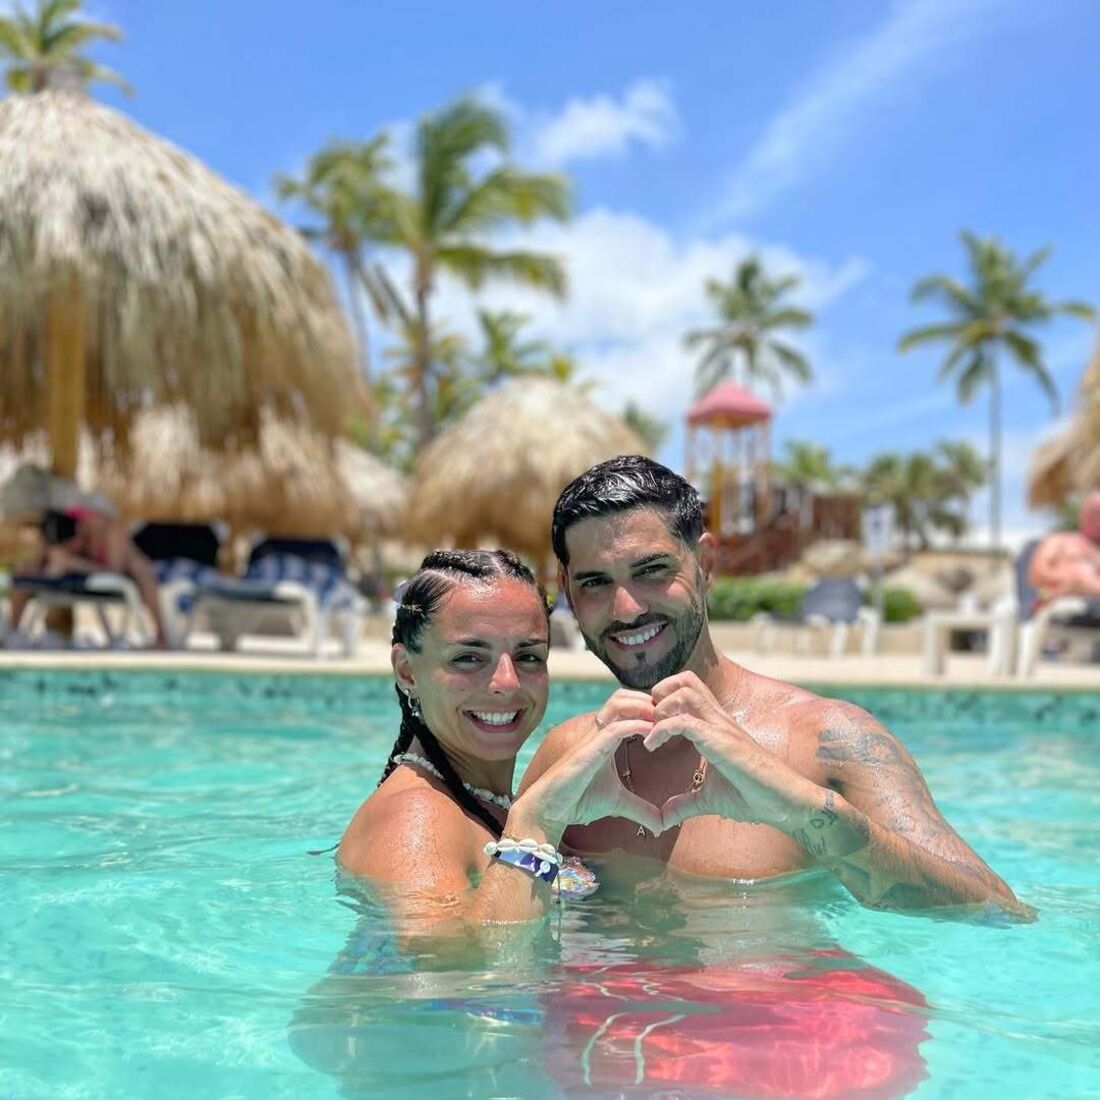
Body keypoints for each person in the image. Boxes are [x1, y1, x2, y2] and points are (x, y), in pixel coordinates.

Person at [520, 455, 1028, 917]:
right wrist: (532, 837)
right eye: (595, 582)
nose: (627, 609)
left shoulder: (826, 739)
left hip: (775, 991)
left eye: (652, 570)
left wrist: (800, 809)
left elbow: (999, 910)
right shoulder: (568, 755)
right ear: (568, 591)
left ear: (705, 565)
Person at [337, 548, 665, 939]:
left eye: (528, 656)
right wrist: (537, 823)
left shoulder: (479, 804)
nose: (507, 683)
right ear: (407, 672)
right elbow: (439, 962)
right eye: (469, 658)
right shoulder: (416, 817)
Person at [10, 495, 169, 648]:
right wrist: (44, 567)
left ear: (79, 531)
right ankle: (13, 632)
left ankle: (161, 637)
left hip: (125, 571)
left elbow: (115, 571)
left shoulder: (109, 532)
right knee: (21, 575)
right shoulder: (58, 527)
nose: (71, 550)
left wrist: (75, 564)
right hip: (85, 570)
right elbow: (35, 565)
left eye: (71, 546)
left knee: (141, 568)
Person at [1028, 490, 1100, 605]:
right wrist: (1073, 579)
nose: (1098, 520)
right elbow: (1037, 573)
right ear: (1082, 514)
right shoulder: (1059, 540)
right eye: (1095, 513)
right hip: (1059, 602)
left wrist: (1090, 585)